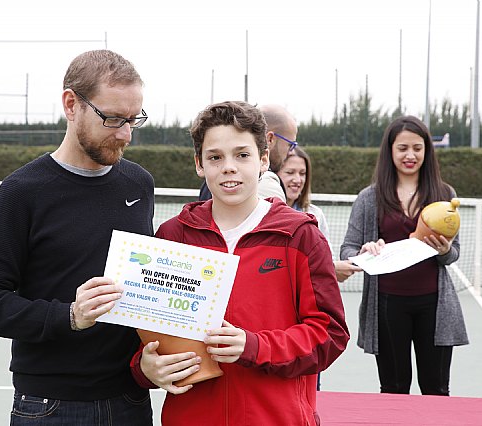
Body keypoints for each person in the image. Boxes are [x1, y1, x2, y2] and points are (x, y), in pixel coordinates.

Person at [0, 50, 155, 425]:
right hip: (49, 406)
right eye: (113, 118)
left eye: (134, 120)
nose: (125, 134)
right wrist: (69, 315)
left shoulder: (139, 184)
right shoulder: (21, 192)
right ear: (71, 104)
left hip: (131, 400)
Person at [132, 101, 349, 425]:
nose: (229, 167)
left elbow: (329, 334)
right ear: (199, 164)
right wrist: (145, 367)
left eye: (242, 155)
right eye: (215, 157)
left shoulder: (301, 237)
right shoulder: (172, 236)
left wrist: (255, 346)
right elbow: (149, 332)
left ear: (264, 160)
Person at [340, 115, 468, 396]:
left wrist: (445, 251)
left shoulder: (444, 193)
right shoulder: (369, 198)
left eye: (417, 148)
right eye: (402, 148)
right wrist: (365, 251)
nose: (410, 155)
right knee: (393, 390)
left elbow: (453, 252)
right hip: (387, 305)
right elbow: (348, 249)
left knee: (436, 390)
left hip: (434, 305)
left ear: (427, 151)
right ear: (390, 151)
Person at [278, 147, 362, 283]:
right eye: (290, 172)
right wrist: (331, 268)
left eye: (302, 173)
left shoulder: (315, 214)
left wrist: (333, 268)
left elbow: (326, 260)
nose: (298, 179)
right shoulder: (263, 212)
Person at [197, 103, 297, 202]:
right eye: (290, 144)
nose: (291, 152)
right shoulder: (266, 184)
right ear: (269, 139)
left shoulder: (210, 183)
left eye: (242, 155)